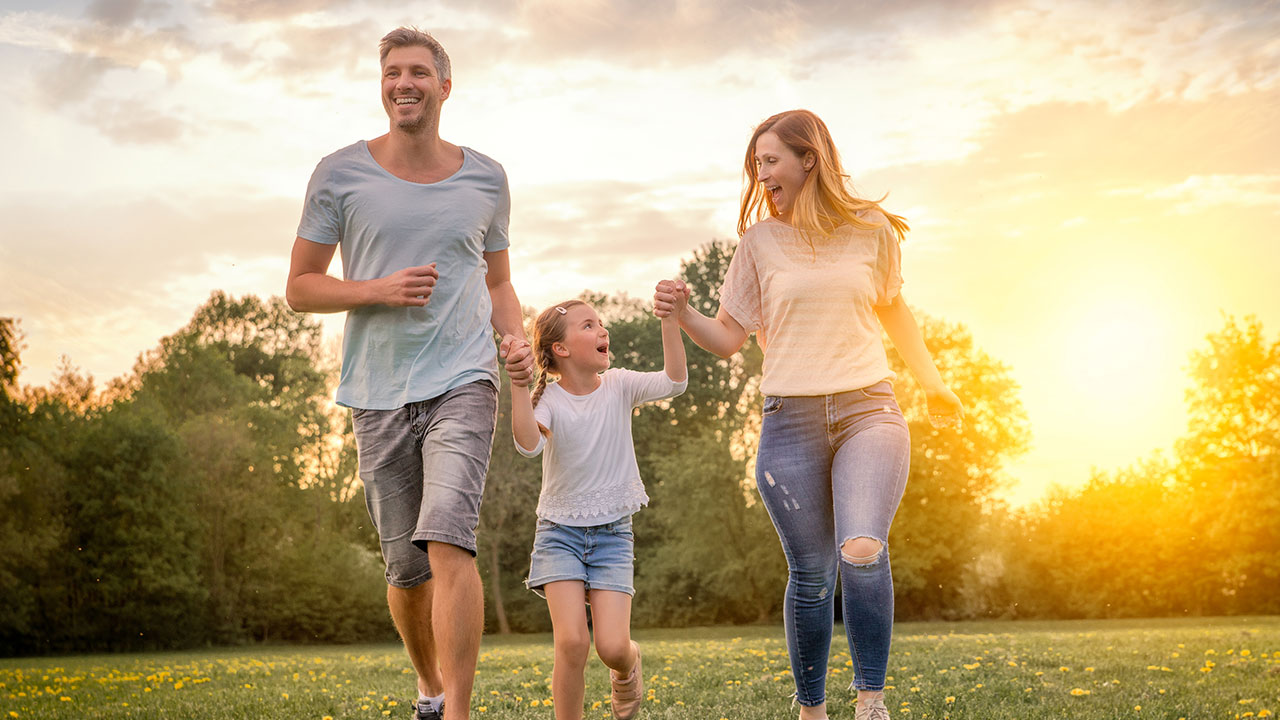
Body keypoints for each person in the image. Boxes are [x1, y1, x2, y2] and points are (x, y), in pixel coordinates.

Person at [653, 109, 964, 720]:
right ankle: (811, 708)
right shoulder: (759, 243)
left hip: (868, 409)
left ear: (809, 160)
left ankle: (871, 700)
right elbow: (728, 338)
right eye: (756, 165)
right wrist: (682, 313)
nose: (761, 175)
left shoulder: (871, 228)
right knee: (814, 575)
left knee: (863, 547)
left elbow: (894, 310)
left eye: (770, 161)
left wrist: (933, 385)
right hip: (788, 420)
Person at [285, 27, 533, 720]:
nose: (405, 82)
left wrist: (514, 345)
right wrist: (377, 289)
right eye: (393, 72)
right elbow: (301, 287)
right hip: (378, 390)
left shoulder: (487, 177)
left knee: (450, 536)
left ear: (444, 87)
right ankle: (429, 686)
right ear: (383, 86)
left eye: (419, 72)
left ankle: (458, 711)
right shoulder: (340, 174)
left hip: (464, 380)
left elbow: (501, 282)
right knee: (406, 566)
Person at [507, 299, 687, 720]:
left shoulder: (621, 385)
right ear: (561, 349)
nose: (603, 330)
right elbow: (528, 445)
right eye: (589, 325)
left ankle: (629, 668)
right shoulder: (549, 399)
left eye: (601, 323)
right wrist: (518, 386)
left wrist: (669, 321)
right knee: (571, 643)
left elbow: (675, 381)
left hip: (612, 535)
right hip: (558, 534)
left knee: (611, 648)